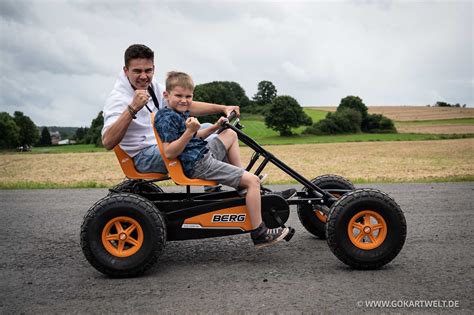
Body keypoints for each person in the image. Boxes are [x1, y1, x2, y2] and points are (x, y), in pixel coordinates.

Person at [155, 71, 292, 248]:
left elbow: (196, 137)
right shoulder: (166, 117)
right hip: (199, 164)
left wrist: (215, 127)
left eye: (188, 96)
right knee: (253, 181)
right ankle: (259, 233)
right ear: (166, 95)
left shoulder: (177, 112)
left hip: (201, 153)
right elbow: (169, 153)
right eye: (179, 95)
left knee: (230, 133)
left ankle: (243, 188)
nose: (184, 100)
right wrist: (189, 132)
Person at [101, 44, 239, 174]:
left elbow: (184, 104)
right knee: (211, 139)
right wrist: (132, 108)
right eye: (137, 71)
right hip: (143, 156)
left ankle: (216, 187)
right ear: (126, 71)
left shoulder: (152, 85)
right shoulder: (118, 99)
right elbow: (108, 142)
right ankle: (241, 181)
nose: (143, 76)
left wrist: (223, 108)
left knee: (208, 127)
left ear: (153, 68)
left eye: (148, 70)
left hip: (161, 142)